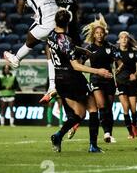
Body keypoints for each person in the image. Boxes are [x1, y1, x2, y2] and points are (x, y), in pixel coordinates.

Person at [48, 9, 113, 153]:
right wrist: (98, 71)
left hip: (59, 79)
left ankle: (58, 136)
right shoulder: (67, 40)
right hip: (72, 78)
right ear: (68, 23)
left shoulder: (51, 35)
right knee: (92, 109)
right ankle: (93, 146)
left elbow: (63, 47)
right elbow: (76, 66)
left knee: (79, 114)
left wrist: (81, 51)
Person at [3, 0, 59, 105]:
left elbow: (19, 11)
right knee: (50, 51)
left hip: (46, 21)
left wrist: (24, 4)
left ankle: (16, 59)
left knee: (30, 38)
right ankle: (53, 86)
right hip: (59, 20)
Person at [78, 14, 119, 143]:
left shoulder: (111, 47)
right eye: (97, 33)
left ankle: (108, 133)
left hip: (109, 80)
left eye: (101, 33)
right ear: (93, 35)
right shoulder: (89, 48)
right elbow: (80, 63)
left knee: (108, 108)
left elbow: (119, 61)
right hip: (96, 79)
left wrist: (118, 70)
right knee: (101, 105)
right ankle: (106, 133)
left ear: (104, 34)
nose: (99, 35)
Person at [115, 31, 137, 139]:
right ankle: (130, 132)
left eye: (125, 37)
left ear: (128, 39)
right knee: (125, 107)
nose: (124, 39)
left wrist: (135, 74)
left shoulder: (135, 52)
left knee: (133, 108)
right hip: (120, 82)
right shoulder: (115, 52)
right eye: (121, 37)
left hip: (132, 82)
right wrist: (114, 70)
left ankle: (134, 125)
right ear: (119, 40)